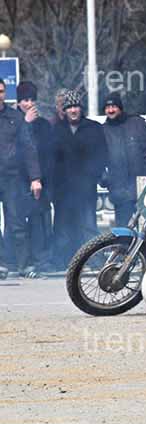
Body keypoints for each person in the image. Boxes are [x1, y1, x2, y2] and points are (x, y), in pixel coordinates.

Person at [51, 90, 108, 270]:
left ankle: (95, 261)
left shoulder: (93, 128)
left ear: (81, 108)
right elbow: (50, 159)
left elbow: (102, 154)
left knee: (88, 225)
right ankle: (62, 263)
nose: (73, 110)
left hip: (86, 187)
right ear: (64, 110)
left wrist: (93, 175)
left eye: (76, 106)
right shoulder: (56, 129)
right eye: (69, 107)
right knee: (63, 227)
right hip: (63, 189)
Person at [0, 78, 42, 279]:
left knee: (16, 222)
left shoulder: (15, 118)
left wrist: (35, 178)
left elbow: (28, 148)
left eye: (0, 91)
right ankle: (1, 264)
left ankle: (25, 265)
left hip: (12, 177)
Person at [16, 81, 55, 275]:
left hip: (40, 180)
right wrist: (26, 124)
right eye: (25, 100)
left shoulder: (44, 125)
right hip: (18, 179)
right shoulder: (14, 120)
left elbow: (48, 152)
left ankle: (41, 260)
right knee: (19, 222)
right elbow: (15, 148)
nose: (29, 104)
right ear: (18, 102)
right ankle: (22, 261)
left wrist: (41, 177)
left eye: (32, 99)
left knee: (40, 220)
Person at [102, 92, 146, 226]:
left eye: (114, 106)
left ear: (120, 107)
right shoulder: (102, 130)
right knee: (124, 232)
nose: (111, 110)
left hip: (143, 190)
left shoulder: (137, 124)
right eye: (107, 107)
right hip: (120, 192)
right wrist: (106, 180)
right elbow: (97, 159)